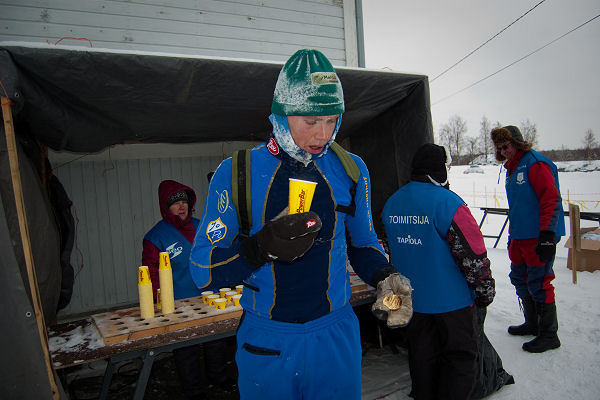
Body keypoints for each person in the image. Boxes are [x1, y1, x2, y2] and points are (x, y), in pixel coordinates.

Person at [188, 49, 412, 400]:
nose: (323, 134)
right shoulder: (237, 174)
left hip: (335, 336)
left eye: (331, 120)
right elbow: (202, 271)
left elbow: (362, 242)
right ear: (282, 113)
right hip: (269, 339)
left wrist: (386, 277)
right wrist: (260, 247)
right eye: (310, 121)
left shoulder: (351, 170)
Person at [382, 143, 496, 400]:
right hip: (451, 303)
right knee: (460, 361)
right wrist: (484, 292)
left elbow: (390, 247)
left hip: (411, 302)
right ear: (439, 169)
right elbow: (473, 256)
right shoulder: (449, 203)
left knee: (422, 359)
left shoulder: (392, 203)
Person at [142, 179, 231, 400]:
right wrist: (158, 300)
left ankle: (218, 376)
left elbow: (218, 256)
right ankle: (193, 390)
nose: (181, 206)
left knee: (216, 340)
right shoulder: (156, 237)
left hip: (208, 296)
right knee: (186, 349)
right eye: (175, 202)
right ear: (165, 206)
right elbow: (151, 272)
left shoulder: (203, 226)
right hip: (179, 302)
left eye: (184, 200)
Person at [491, 125, 564, 353]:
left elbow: (551, 199)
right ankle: (532, 323)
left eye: (507, 146)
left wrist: (547, 235)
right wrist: (512, 236)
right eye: (500, 148)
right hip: (520, 236)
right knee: (520, 278)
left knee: (539, 280)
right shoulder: (512, 168)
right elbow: (519, 206)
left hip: (538, 236)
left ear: (518, 143)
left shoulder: (535, 163)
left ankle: (549, 334)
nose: (504, 151)